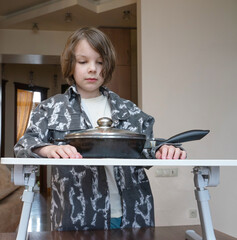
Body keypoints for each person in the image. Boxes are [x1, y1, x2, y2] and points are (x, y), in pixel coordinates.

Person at [14, 27, 186, 231]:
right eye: (83, 61)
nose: (92, 69)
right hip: (76, 215)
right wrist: (48, 149)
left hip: (133, 212)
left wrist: (163, 149)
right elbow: (24, 146)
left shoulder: (128, 109)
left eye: (100, 62)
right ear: (70, 65)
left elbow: (146, 148)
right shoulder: (51, 108)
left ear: (108, 66)